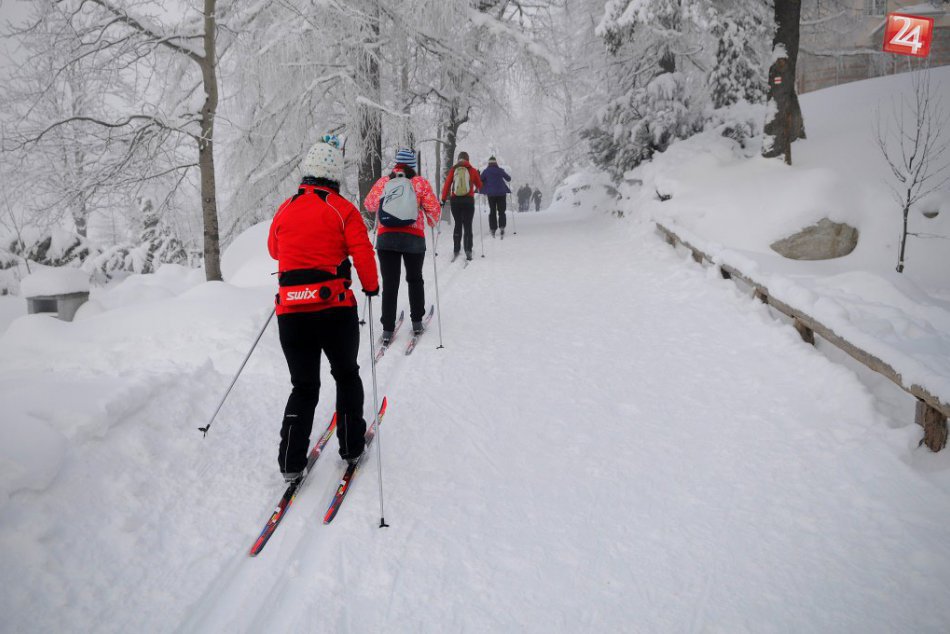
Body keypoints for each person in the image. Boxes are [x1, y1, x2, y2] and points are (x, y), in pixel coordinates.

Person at [267, 134, 380, 481]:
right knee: (346, 374)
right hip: (333, 309)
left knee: (303, 386)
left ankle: (289, 460)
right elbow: (362, 252)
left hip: (291, 313)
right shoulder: (342, 209)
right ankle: (350, 446)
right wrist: (371, 287)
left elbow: (274, 250)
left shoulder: (285, 208)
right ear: (334, 175)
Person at [363, 148, 441, 343]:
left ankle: (388, 329)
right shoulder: (420, 183)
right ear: (412, 165)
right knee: (415, 279)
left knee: (390, 283)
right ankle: (416, 322)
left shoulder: (384, 182)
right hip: (413, 239)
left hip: (386, 238)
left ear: (396, 164)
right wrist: (430, 220)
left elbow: (369, 205)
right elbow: (434, 211)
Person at [440, 151, 483, 261]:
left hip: (455, 201)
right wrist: (478, 176)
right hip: (468, 201)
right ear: (467, 159)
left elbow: (447, 185)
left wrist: (443, 199)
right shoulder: (472, 170)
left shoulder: (454, 170)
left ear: (458, 159)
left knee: (458, 224)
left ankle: (456, 249)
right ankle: (468, 250)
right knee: (468, 225)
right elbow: (480, 186)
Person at [479, 156, 511, 238]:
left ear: (489, 163)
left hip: (491, 194)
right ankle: (502, 227)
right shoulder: (500, 170)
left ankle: (493, 229)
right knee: (501, 211)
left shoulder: (486, 171)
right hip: (501, 194)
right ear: (496, 162)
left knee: (492, 211)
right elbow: (508, 179)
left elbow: (480, 180)